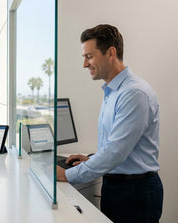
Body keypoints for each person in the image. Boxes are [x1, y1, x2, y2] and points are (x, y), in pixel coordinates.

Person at [56, 24, 163, 223]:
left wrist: (67, 174)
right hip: (118, 187)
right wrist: (93, 160)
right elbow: (117, 146)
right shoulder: (113, 92)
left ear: (111, 53)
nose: (85, 64)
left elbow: (115, 152)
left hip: (134, 193)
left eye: (89, 56)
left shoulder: (133, 93)